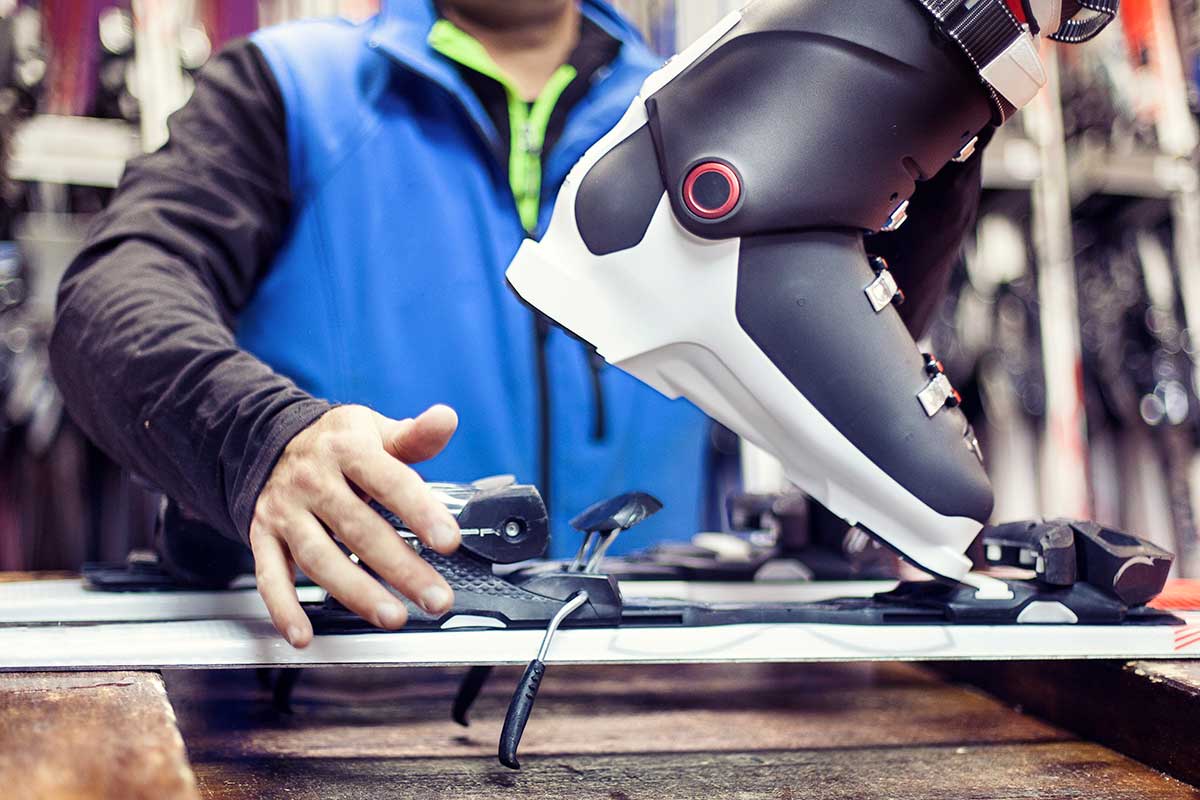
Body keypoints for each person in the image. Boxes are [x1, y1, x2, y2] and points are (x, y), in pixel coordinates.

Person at [49, 0, 986, 647]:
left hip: (661, 698)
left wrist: (939, 118)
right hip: (343, 703)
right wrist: (255, 437)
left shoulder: (711, 114)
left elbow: (844, 338)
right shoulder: (294, 91)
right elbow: (114, 296)